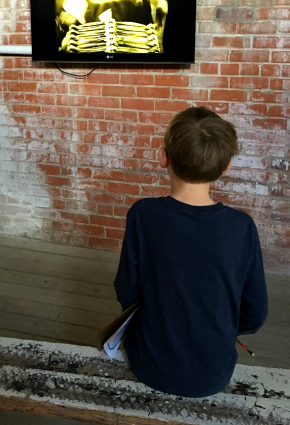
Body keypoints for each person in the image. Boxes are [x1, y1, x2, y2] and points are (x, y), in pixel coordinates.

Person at [114, 106, 268, 398]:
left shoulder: (143, 215)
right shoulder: (242, 227)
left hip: (149, 366)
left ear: (163, 157)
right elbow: (255, 314)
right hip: (214, 373)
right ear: (227, 166)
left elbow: (126, 291)